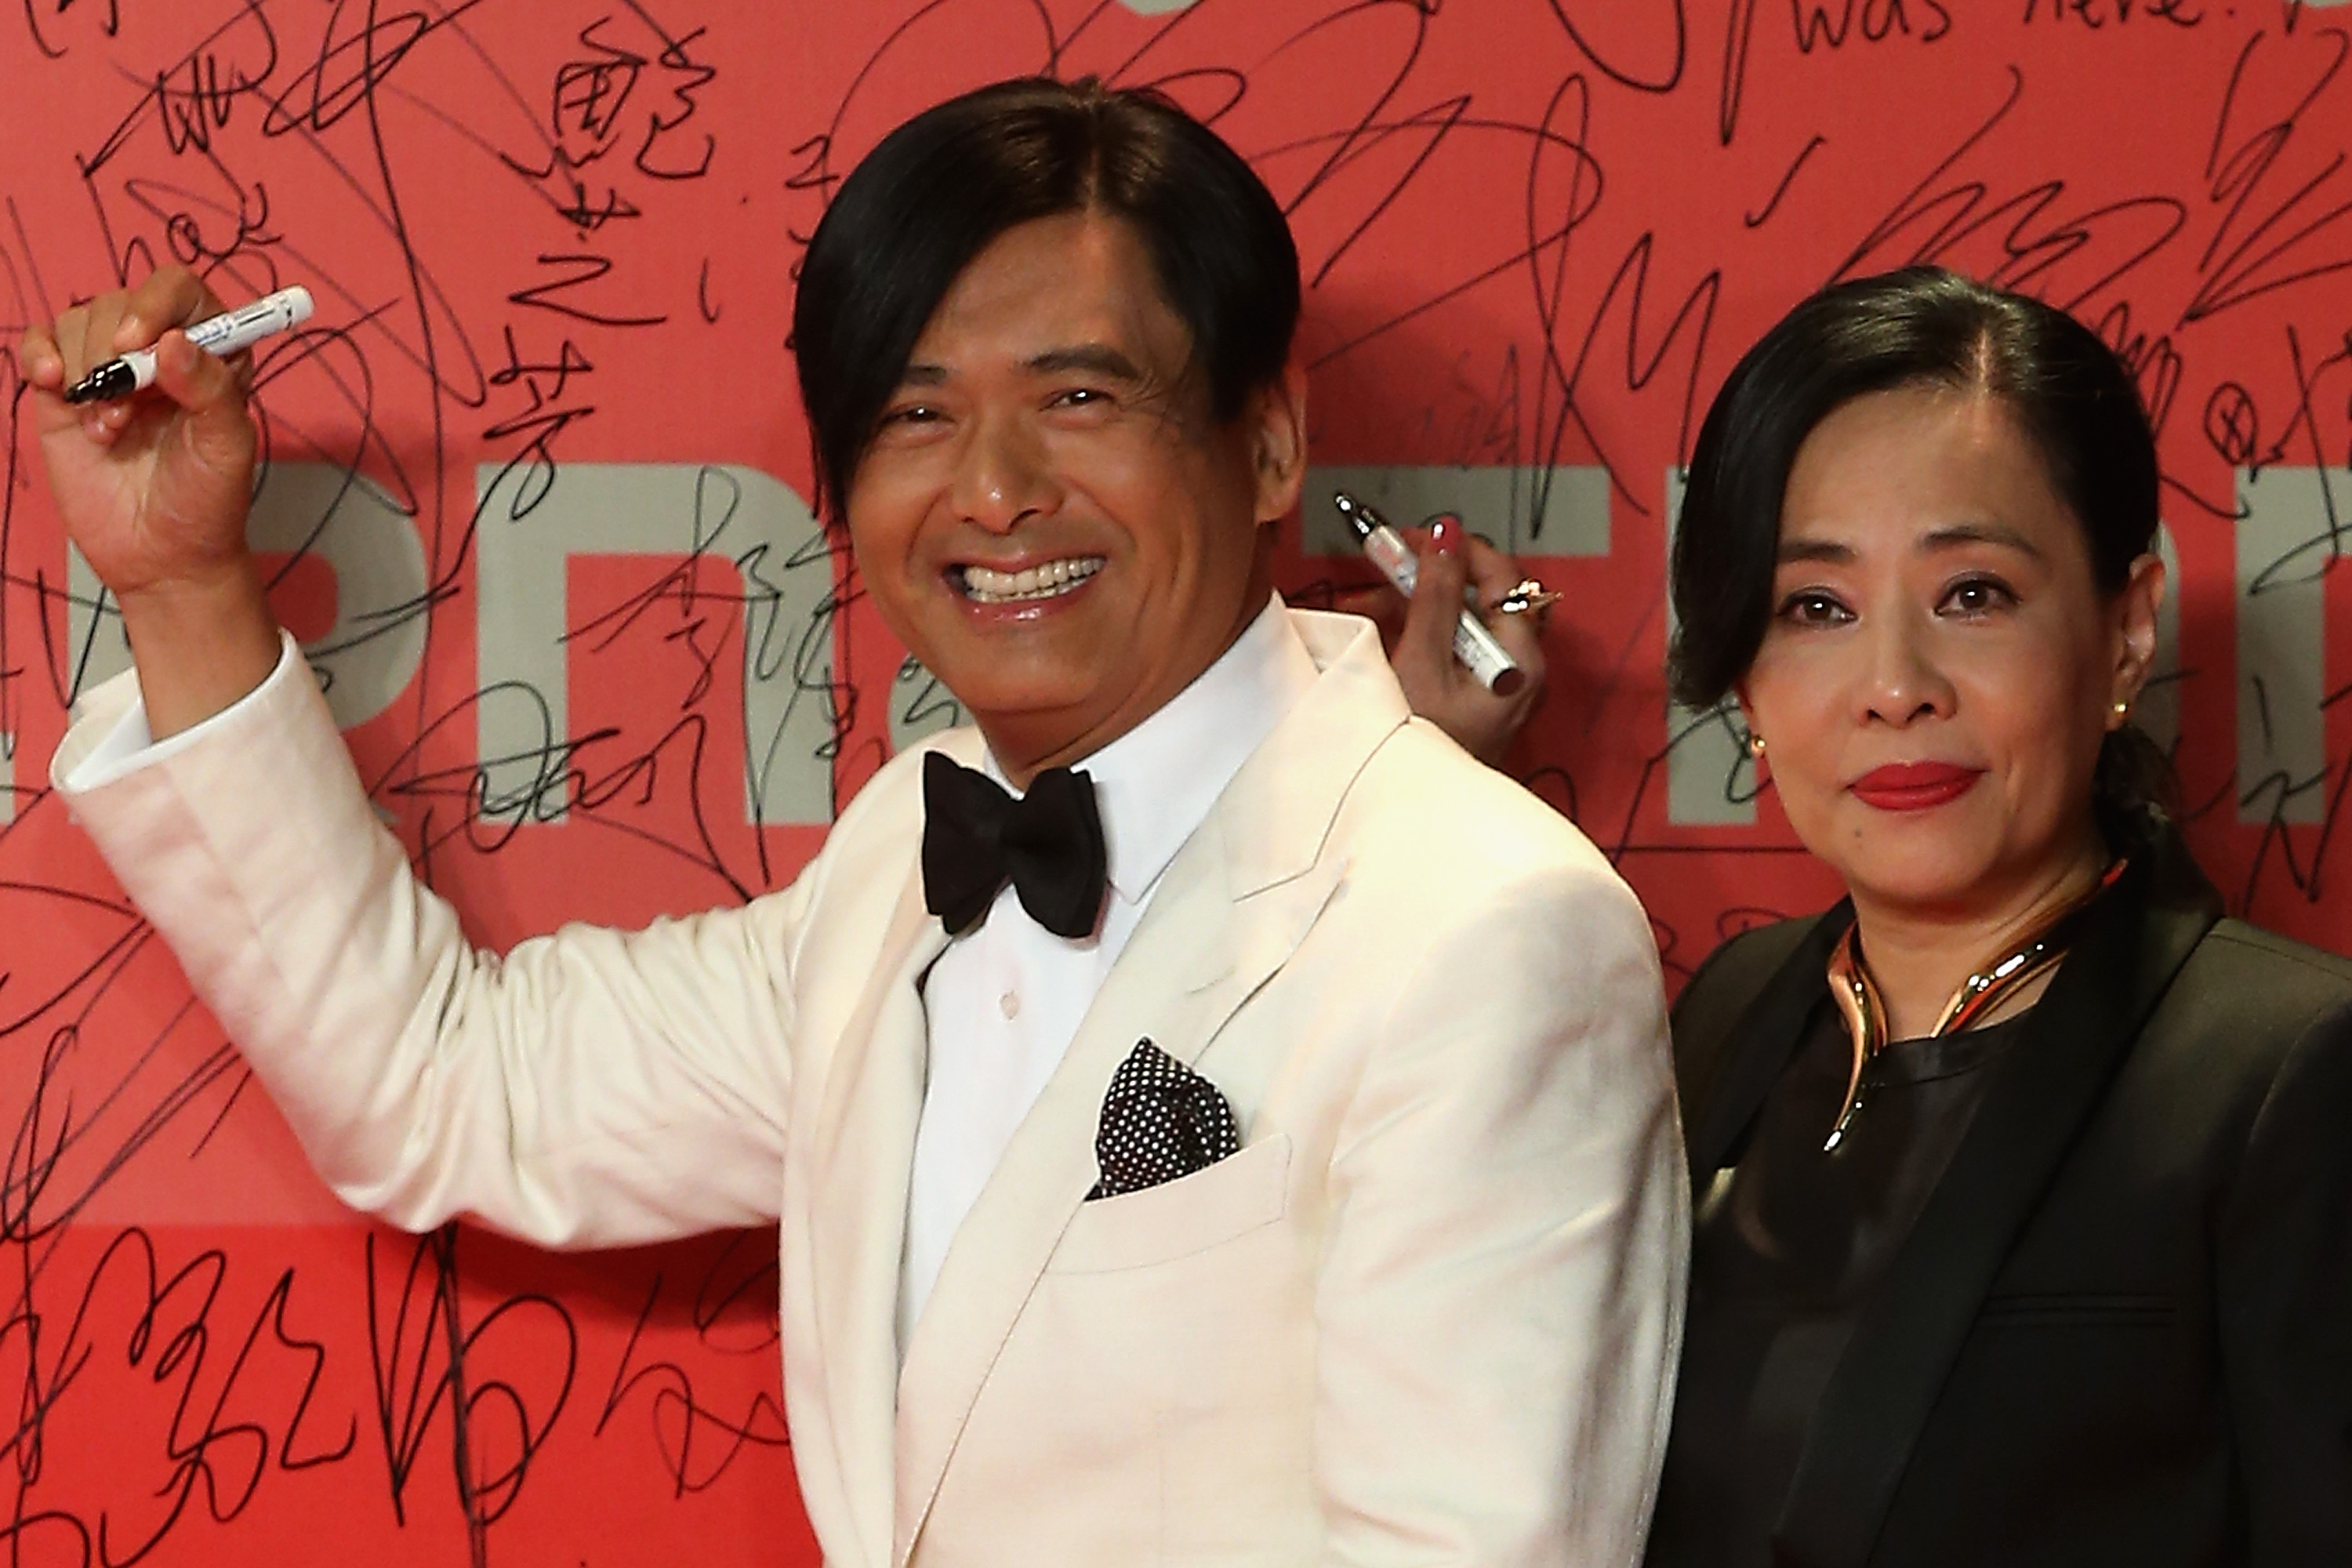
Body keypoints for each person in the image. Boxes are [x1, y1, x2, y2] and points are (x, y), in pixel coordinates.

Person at [21, 78, 1687, 1566]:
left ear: (1266, 441)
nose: (992, 487)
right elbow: (454, 1086)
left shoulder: (1485, 925)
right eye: (913, 412)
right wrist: (177, 590)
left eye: (1080, 397)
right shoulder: (902, 859)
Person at [1644, 267, 2352, 1566]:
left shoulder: (2288, 1071)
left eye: (1972, 594)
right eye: (1817, 607)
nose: (1895, 685)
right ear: (1745, 668)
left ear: (2125, 630)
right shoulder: (1733, 1010)